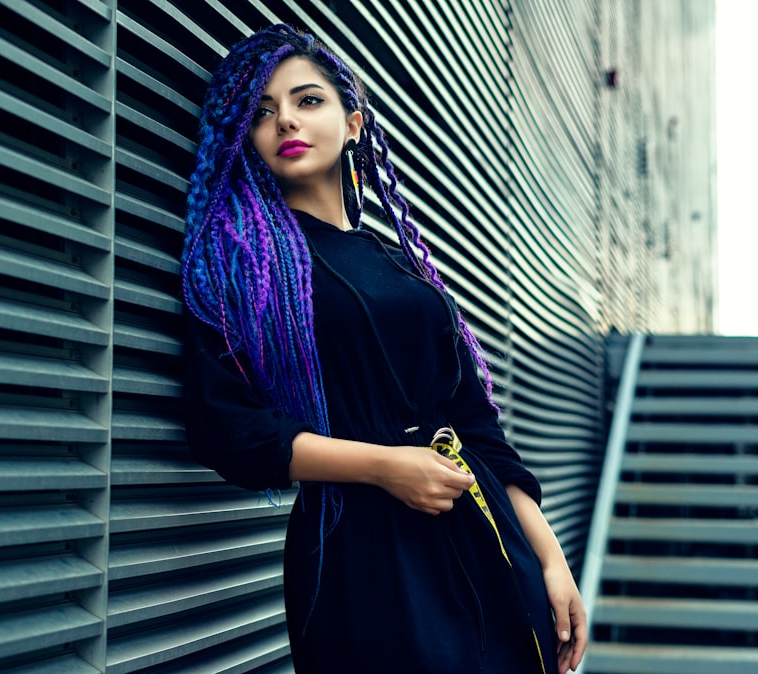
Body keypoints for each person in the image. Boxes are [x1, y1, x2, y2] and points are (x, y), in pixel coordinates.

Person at [181, 23, 587, 674]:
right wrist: (383, 467)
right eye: (262, 112)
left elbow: (476, 423)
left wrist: (548, 556)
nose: (285, 118)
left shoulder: (402, 266)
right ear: (245, 139)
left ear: (354, 123)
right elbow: (226, 429)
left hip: (485, 536)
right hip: (362, 553)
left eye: (307, 100)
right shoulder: (247, 264)